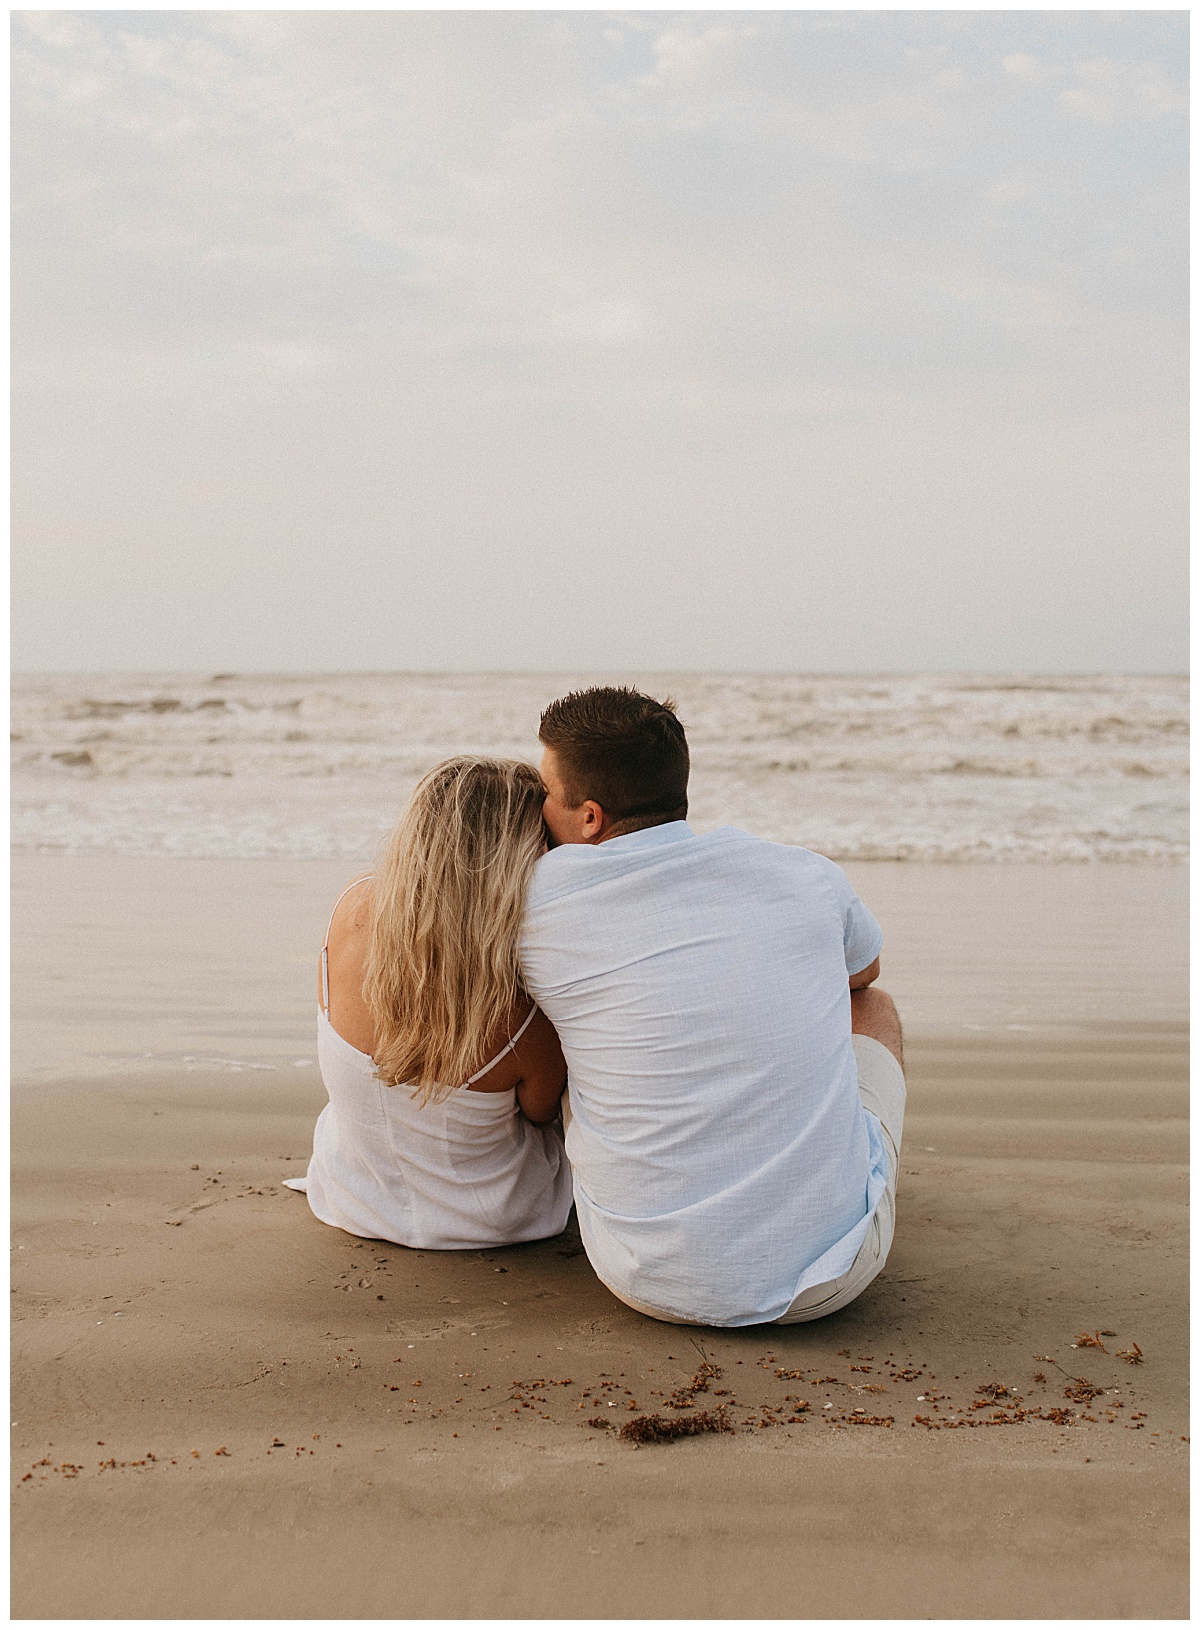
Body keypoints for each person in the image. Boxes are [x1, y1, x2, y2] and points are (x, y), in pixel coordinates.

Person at [519, 686, 905, 1327]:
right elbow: (862, 972)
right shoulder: (801, 874)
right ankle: (827, 1181)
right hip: (833, 1281)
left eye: (545, 792)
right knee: (874, 1009)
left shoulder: (535, 905)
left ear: (588, 817)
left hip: (640, 1274)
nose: (538, 806)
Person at [287, 757, 573, 1248]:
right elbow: (542, 1114)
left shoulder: (351, 908)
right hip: (486, 1218)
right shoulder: (517, 1013)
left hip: (352, 1195)